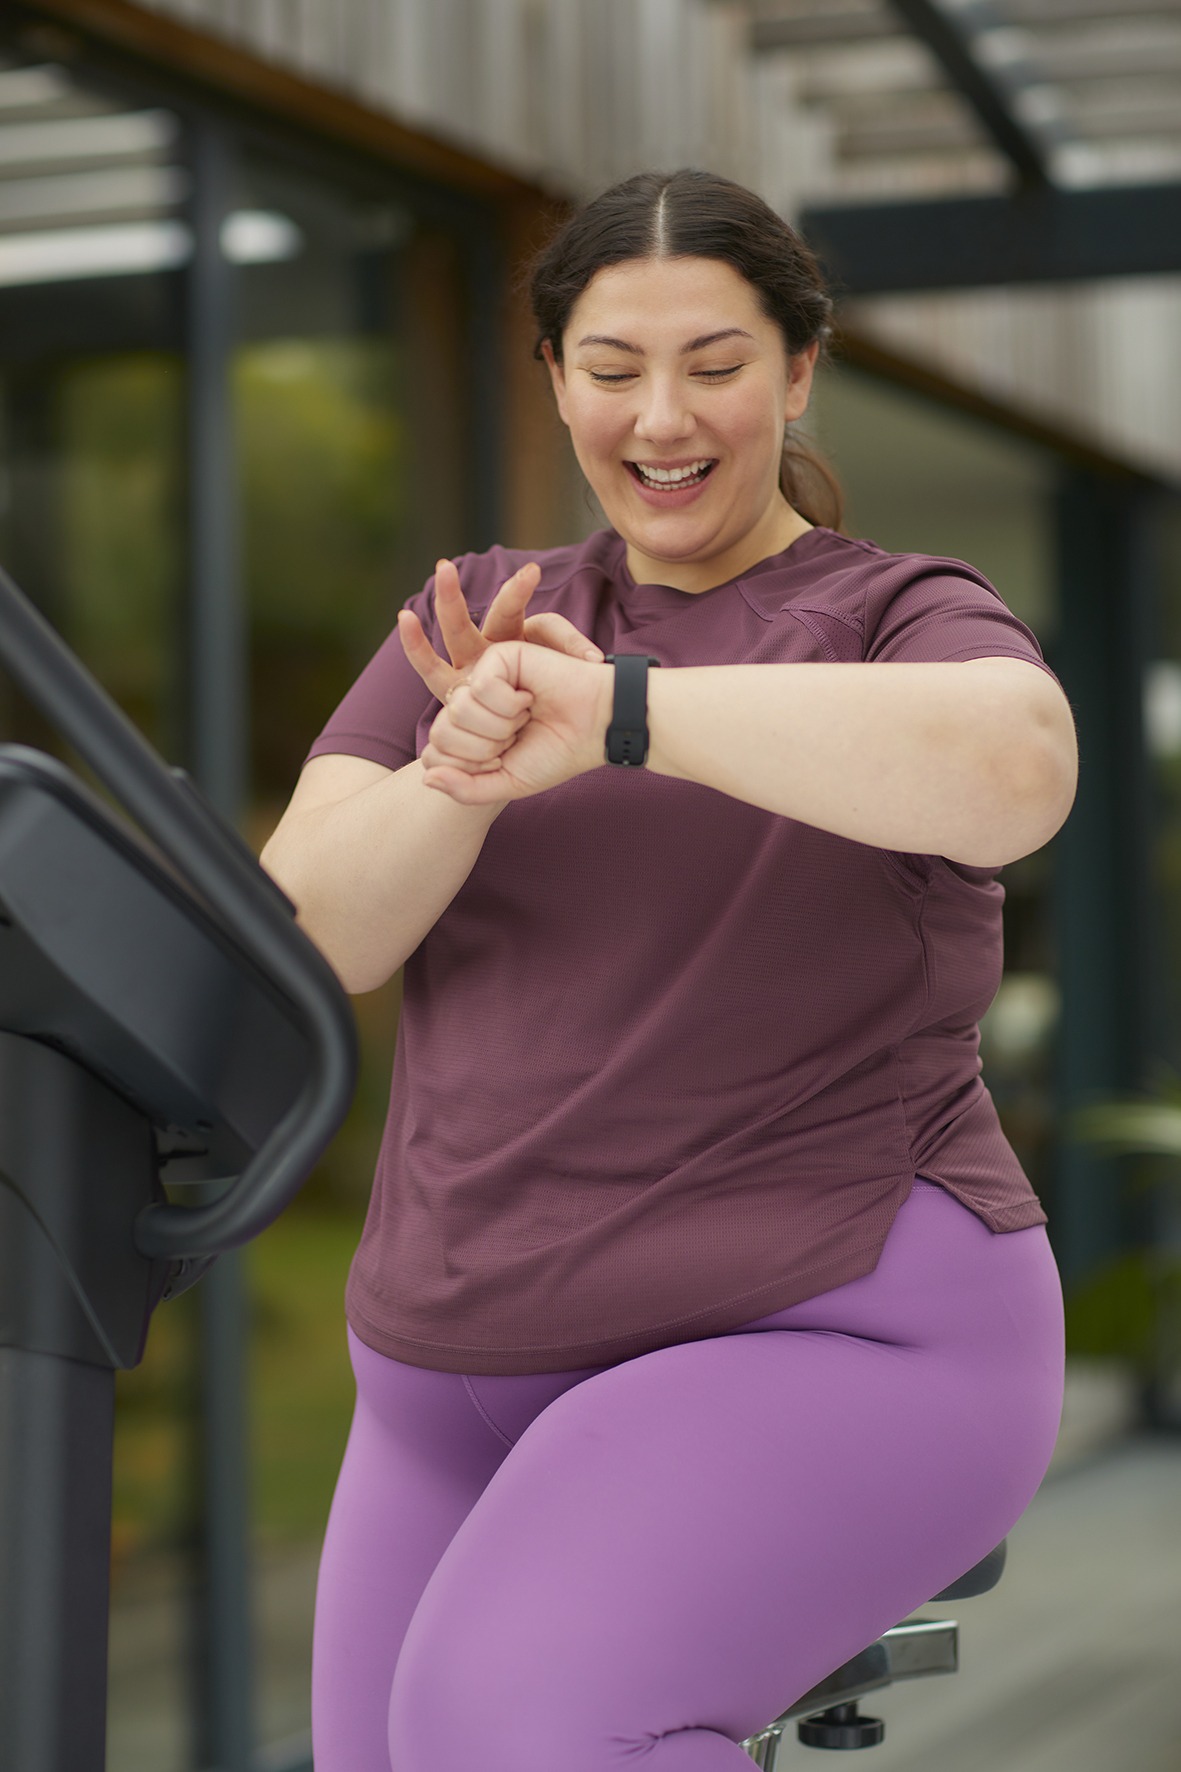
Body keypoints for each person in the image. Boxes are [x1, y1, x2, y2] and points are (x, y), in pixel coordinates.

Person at [260, 168, 1078, 1772]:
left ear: (797, 369)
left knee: (517, 1730)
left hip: (827, 1328)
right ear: (555, 380)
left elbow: (1018, 768)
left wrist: (623, 715)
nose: (660, 417)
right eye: (612, 368)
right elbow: (310, 936)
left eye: (713, 364)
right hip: (442, 1364)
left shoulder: (890, 613)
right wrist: (456, 776)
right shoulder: (475, 624)